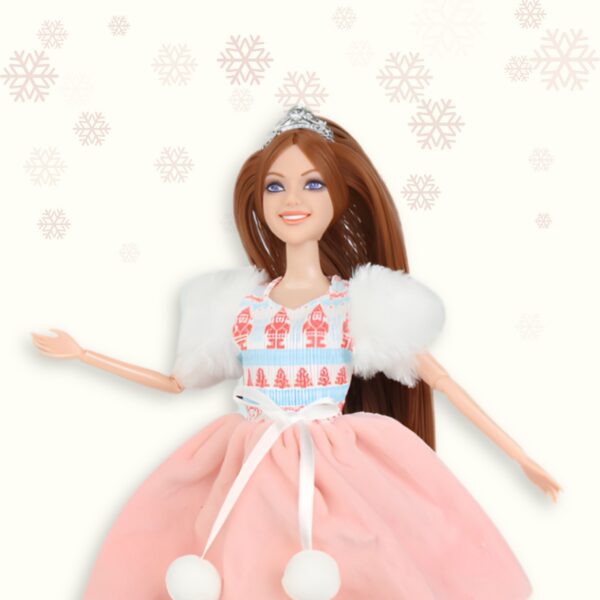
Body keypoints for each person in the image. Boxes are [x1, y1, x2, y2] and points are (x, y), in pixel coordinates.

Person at [31, 104, 561, 599]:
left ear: (339, 197)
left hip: (339, 463)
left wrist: (521, 459)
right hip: (250, 460)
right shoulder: (238, 305)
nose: (291, 200)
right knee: (241, 558)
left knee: (362, 557)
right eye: (275, 186)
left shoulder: (358, 305)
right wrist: (84, 354)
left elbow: (439, 380)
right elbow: (175, 383)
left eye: (312, 184)